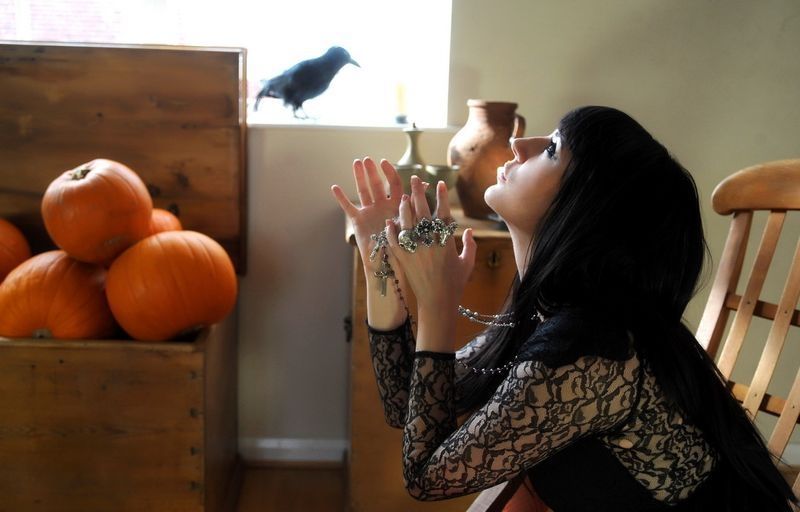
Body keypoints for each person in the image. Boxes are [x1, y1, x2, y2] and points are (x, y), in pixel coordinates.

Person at [331, 106, 799, 511]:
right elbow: (409, 406)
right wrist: (379, 257)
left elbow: (425, 477)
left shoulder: (590, 349)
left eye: (553, 148)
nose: (519, 144)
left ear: (585, 208)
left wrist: (436, 305)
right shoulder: (551, 312)